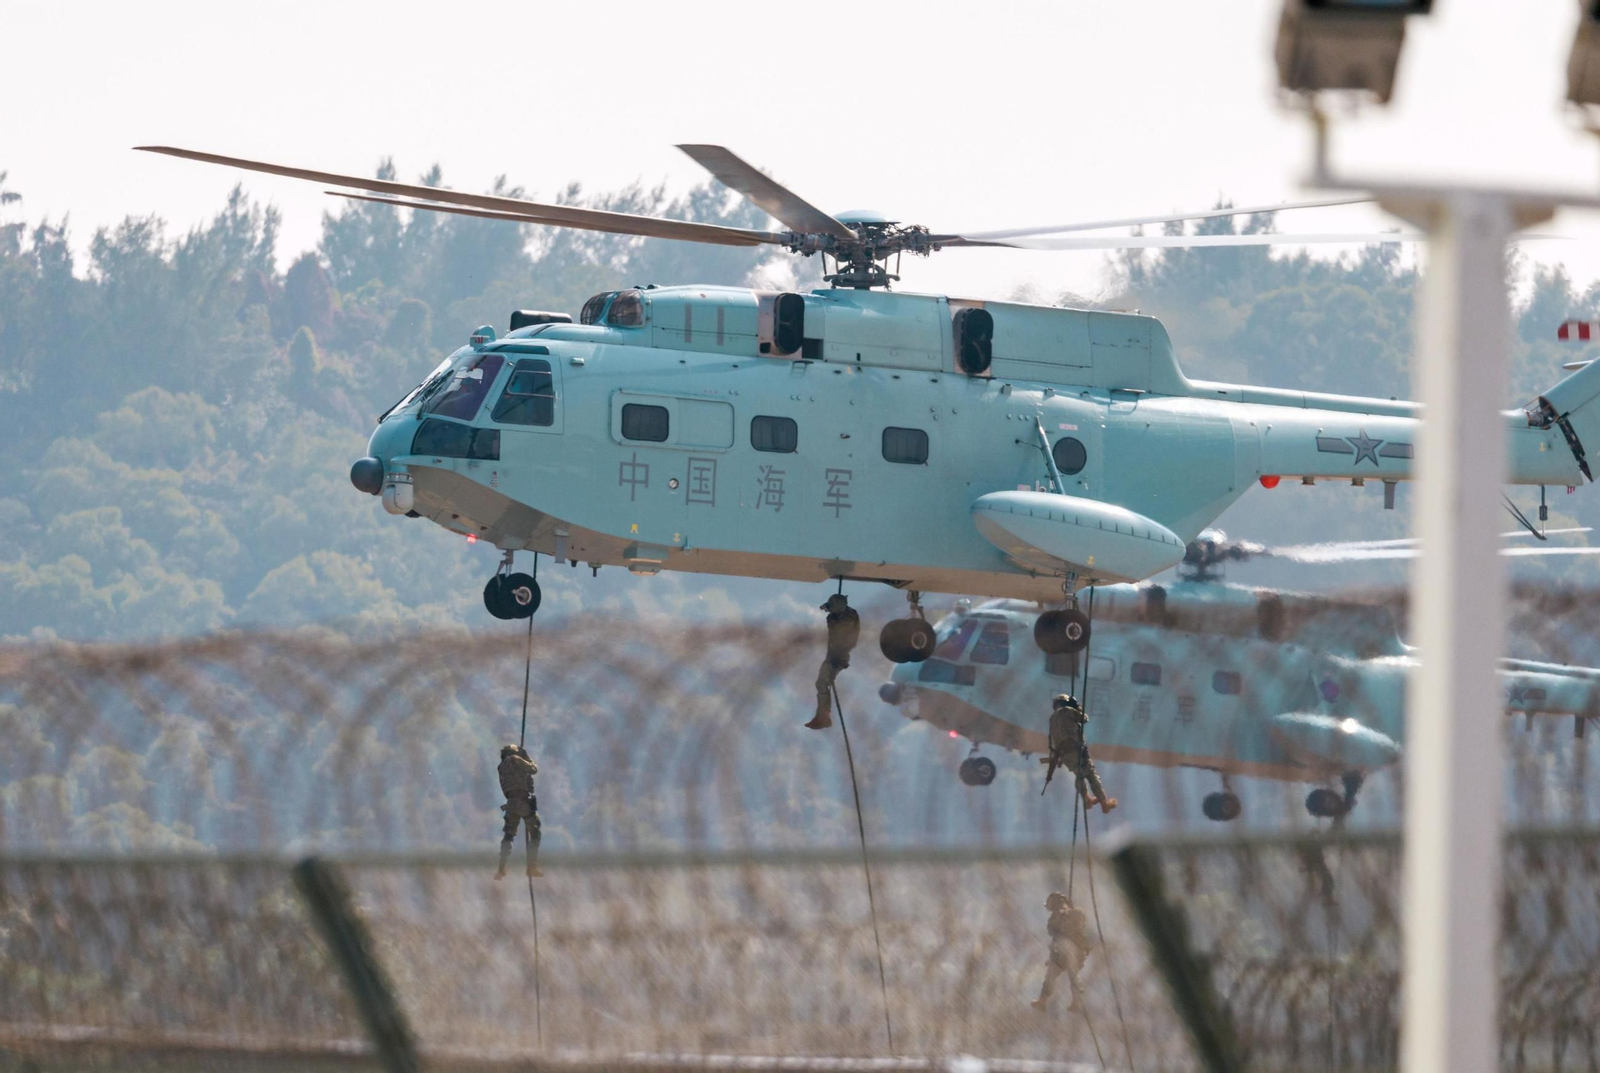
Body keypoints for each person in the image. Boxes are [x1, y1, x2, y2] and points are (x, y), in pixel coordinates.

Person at [1042, 694, 1117, 813]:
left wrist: (1058, 757)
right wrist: (1077, 707)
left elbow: (1051, 742)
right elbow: (1084, 718)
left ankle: (1087, 799)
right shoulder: (1068, 710)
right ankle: (1104, 804)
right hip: (1076, 750)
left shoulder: (1052, 719)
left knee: (1080, 774)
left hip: (1064, 755)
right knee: (1091, 775)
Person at [806, 593, 860, 730]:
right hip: (832, 656)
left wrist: (836, 657)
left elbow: (844, 638)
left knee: (822, 683)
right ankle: (823, 715)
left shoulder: (848, 618)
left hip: (839, 656)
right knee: (822, 683)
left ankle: (823, 716)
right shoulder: (833, 617)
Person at [1033, 890, 1093, 1011]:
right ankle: (1042, 1001)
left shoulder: (1075, 913)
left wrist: (1068, 915)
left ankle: (1076, 1002)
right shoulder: (1056, 918)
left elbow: (1078, 927)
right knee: (1051, 974)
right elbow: (1053, 932)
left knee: (1072, 973)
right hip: (1059, 954)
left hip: (1073, 950)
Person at [495, 743, 542, 880]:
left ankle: (501, 868)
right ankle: (531, 867)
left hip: (511, 804)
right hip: (523, 802)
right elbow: (533, 769)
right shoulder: (516, 759)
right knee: (535, 832)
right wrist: (525, 756)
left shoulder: (501, 767)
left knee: (508, 836)